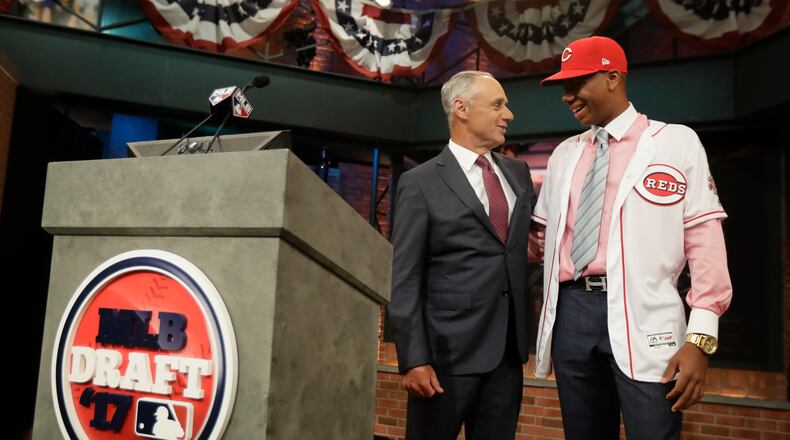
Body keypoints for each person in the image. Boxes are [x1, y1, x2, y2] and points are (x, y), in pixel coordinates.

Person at [532, 36, 733, 439]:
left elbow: (704, 242)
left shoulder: (675, 142)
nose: (567, 97)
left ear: (612, 77)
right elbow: (541, 242)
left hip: (649, 316)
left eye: (576, 84)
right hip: (571, 312)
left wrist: (701, 338)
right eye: (564, 88)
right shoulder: (564, 155)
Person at [386, 70, 536, 440]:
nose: (509, 114)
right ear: (461, 108)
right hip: (443, 358)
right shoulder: (420, 182)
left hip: (507, 356)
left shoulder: (518, 173)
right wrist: (414, 358)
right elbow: (405, 276)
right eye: (498, 104)